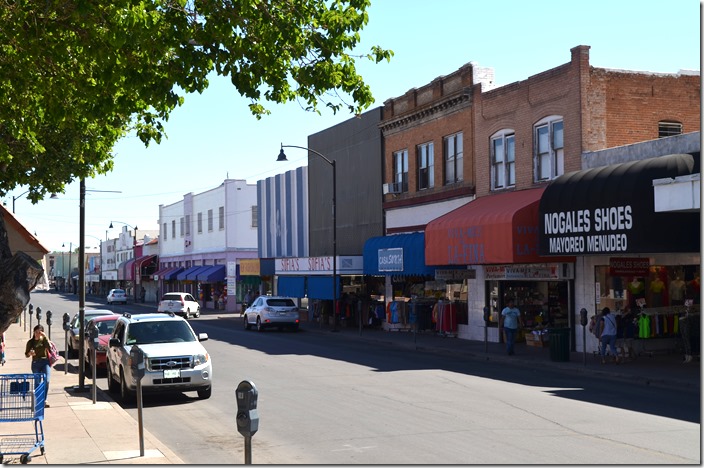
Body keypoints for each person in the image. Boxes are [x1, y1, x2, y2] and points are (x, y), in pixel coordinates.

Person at [25, 325, 51, 407]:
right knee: (38, 382)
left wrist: (45, 337)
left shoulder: (43, 340)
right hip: (36, 363)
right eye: (36, 332)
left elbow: (49, 348)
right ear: (34, 332)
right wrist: (30, 353)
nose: (37, 334)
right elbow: (26, 354)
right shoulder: (31, 342)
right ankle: (38, 400)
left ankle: (44, 399)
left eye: (39, 332)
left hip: (45, 362)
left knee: (46, 380)